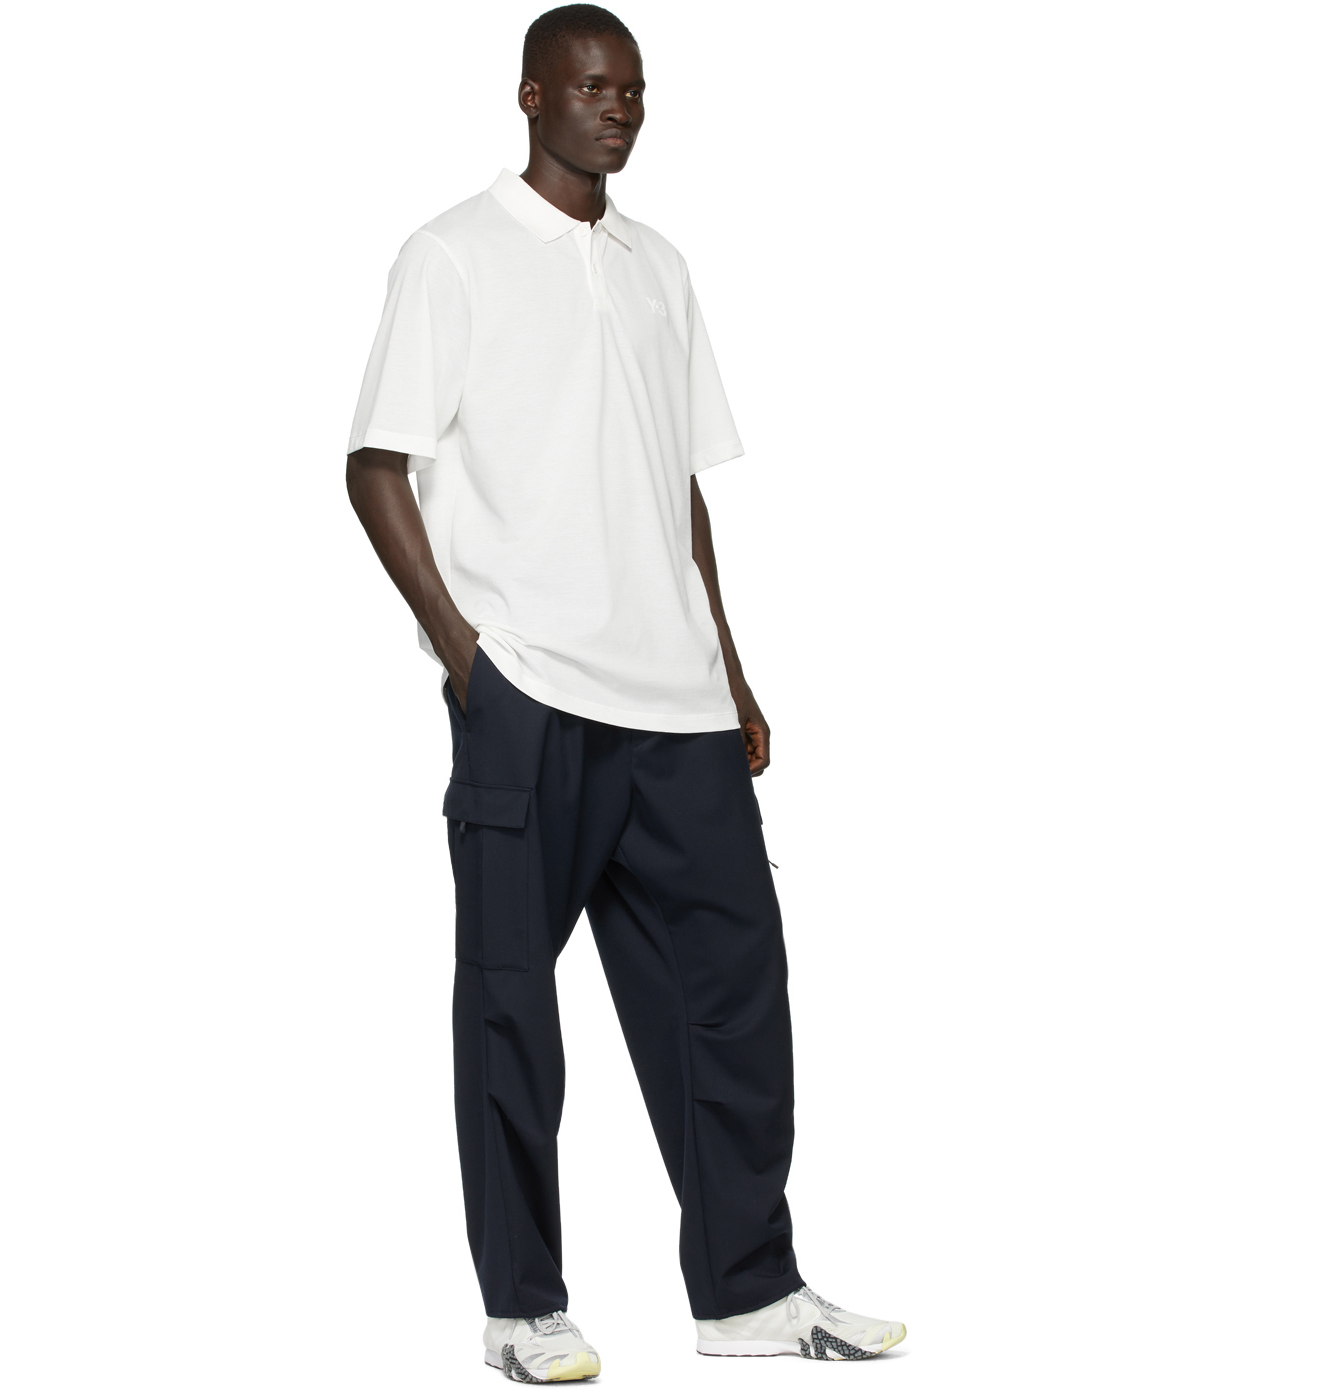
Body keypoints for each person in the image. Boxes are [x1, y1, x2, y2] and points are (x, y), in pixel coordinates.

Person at [346, 4, 906, 1379]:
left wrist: (735, 671)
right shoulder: (451, 254)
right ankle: (523, 1310)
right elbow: (374, 465)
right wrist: (466, 656)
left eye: (635, 91)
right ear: (532, 96)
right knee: (510, 1008)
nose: (619, 109)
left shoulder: (661, 266)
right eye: (593, 86)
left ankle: (749, 1295)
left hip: (683, 707)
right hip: (530, 691)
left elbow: (679, 489)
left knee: (735, 1001)